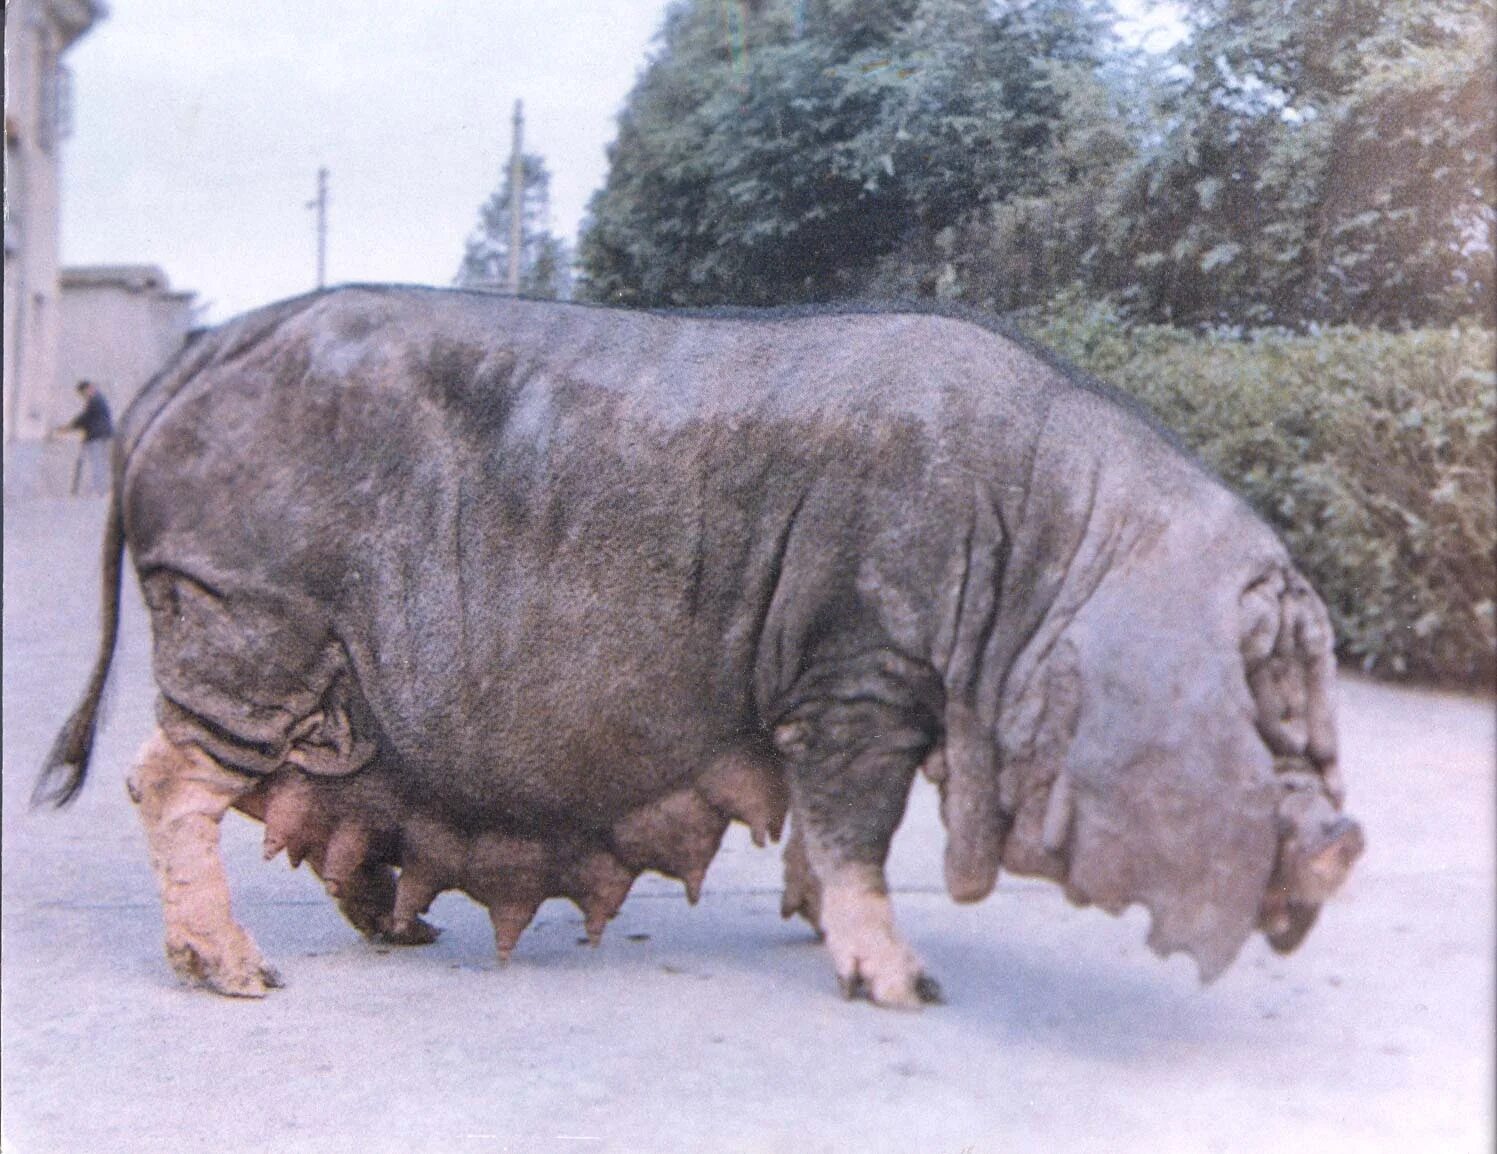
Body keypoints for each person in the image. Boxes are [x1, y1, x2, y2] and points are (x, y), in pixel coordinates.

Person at [52, 380, 115, 497]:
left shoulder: (95, 400)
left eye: (83, 393)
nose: (83, 396)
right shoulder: (99, 399)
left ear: (88, 389)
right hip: (103, 435)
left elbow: (85, 418)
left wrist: (67, 427)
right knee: (102, 463)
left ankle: (102, 491)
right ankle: (105, 490)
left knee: (98, 464)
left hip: (96, 437)